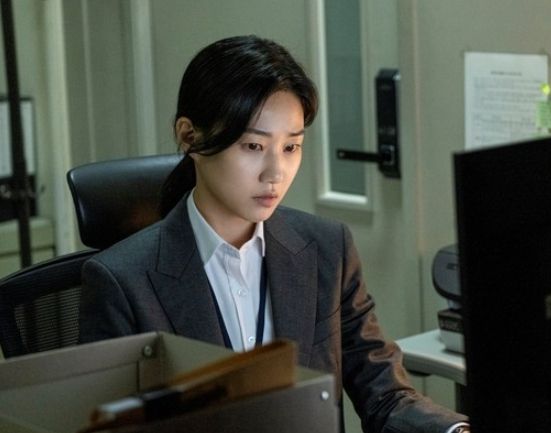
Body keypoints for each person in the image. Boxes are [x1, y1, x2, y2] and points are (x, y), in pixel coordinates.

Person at [78, 35, 469, 433]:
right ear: (189, 136)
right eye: (253, 146)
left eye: (291, 147)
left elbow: (385, 395)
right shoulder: (122, 282)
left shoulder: (327, 248)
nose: (275, 173)